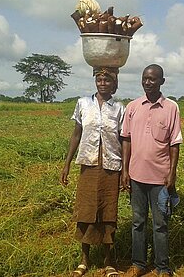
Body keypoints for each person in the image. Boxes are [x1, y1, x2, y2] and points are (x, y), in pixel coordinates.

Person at [60, 67, 124, 277]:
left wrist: (126, 170)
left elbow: (124, 141)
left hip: (111, 167)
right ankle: (84, 259)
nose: (103, 83)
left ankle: (108, 261)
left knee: (108, 213)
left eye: (107, 80)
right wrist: (67, 163)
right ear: (95, 81)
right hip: (88, 165)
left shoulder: (119, 108)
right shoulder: (83, 104)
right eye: (99, 79)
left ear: (114, 84)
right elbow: (76, 135)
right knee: (86, 211)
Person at [120, 64, 183, 277]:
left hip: (160, 179)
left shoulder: (171, 107)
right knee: (138, 222)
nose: (148, 82)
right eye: (145, 78)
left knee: (160, 224)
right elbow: (126, 139)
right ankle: (138, 264)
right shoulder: (133, 107)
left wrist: (172, 173)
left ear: (162, 82)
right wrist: (125, 171)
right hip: (136, 176)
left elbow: (174, 143)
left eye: (153, 79)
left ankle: (162, 268)